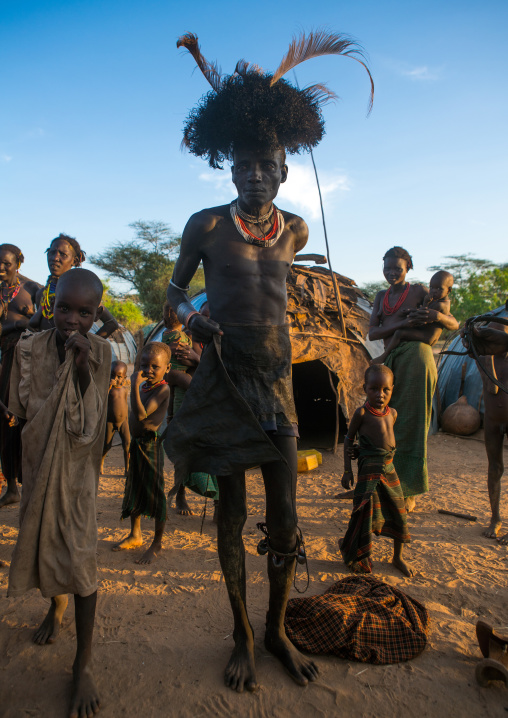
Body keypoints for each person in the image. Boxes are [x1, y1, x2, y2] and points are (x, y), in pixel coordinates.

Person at [165, 31, 373, 692]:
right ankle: (242, 635)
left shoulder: (296, 230)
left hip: (276, 384)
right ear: (231, 169)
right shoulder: (205, 225)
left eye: (269, 166)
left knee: (283, 520)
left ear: (285, 170)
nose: (257, 175)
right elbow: (171, 293)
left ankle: (277, 628)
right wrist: (191, 318)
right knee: (230, 515)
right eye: (246, 166)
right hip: (224, 377)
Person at [7, 268, 111, 718]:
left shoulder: (103, 352)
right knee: (43, 544)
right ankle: (56, 605)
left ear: (95, 315)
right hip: (37, 466)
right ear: (51, 304)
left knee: (81, 558)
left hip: (78, 474)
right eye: (64, 308)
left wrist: (84, 364)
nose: (71, 320)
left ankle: (83, 662)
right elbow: (20, 411)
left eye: (84, 313)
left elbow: (93, 423)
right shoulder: (28, 350)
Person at [369, 247, 459, 511]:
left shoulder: (420, 291)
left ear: (408, 268)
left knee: (411, 423)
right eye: (388, 267)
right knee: (383, 422)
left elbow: (453, 323)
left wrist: (437, 316)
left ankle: (407, 491)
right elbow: (373, 333)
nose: (392, 272)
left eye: (397, 268)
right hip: (391, 359)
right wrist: (399, 325)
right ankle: (380, 484)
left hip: (417, 356)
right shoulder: (380, 296)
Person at [339, 364, 412, 576]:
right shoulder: (361, 413)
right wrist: (347, 470)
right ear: (365, 388)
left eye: (385, 389)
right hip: (368, 471)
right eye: (374, 389)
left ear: (392, 389)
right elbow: (348, 439)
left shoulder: (393, 413)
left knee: (399, 511)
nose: (380, 394)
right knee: (363, 513)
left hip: (389, 469)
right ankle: (358, 554)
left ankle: (397, 557)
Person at [113, 342, 170, 564]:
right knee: (135, 487)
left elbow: (141, 414)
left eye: (155, 366)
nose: (149, 370)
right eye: (144, 365)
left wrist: (134, 387)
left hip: (150, 445)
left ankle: (157, 542)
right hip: (137, 445)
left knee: (155, 492)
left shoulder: (162, 389)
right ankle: (135, 534)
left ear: (166, 368)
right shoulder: (145, 386)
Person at [162, 301, 219, 516]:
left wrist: (197, 359)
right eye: (202, 319)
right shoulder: (184, 339)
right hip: (189, 403)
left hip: (211, 405)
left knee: (214, 453)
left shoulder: (225, 339)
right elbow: (171, 370)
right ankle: (180, 494)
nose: (206, 323)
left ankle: (216, 503)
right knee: (184, 452)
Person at [0, 243, 38, 508]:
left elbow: (42, 324)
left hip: (23, 362)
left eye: (6, 263)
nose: (1, 268)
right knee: (3, 423)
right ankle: (11, 486)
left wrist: (16, 324)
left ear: (19, 263)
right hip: (2, 365)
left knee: (23, 421)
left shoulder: (32, 290)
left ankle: (29, 486)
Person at [29, 233, 119, 339]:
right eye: (52, 252)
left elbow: (111, 323)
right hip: (43, 353)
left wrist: (91, 344)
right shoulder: (42, 294)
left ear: (74, 261)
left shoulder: (81, 293)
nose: (55, 258)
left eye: (63, 254)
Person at [472, 321, 508, 544]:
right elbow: (492, 387)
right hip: (493, 423)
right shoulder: (484, 359)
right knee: (495, 468)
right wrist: (487, 358)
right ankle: (495, 518)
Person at [371, 270, 454, 365]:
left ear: (449, 290)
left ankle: (384, 356)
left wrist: (411, 312)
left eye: (439, 289)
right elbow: (372, 334)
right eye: (431, 288)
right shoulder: (437, 301)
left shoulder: (440, 305)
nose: (434, 291)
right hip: (423, 338)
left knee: (399, 333)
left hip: (427, 338)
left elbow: (424, 316)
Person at [101, 360, 130, 476]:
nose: (115, 379)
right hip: (110, 421)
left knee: (127, 444)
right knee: (106, 445)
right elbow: (102, 401)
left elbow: (125, 405)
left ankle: (127, 468)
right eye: (112, 376)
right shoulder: (108, 390)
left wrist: (127, 418)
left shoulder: (124, 390)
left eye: (118, 377)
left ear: (124, 377)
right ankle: (101, 461)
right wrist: (108, 387)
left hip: (123, 421)